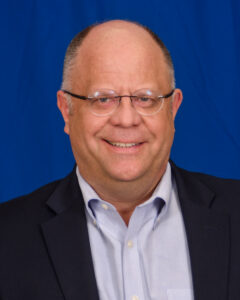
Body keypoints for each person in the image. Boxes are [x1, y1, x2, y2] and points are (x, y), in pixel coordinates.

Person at [0, 20, 240, 300]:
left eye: (146, 99)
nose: (126, 119)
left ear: (173, 109)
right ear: (67, 110)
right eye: (103, 99)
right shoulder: (7, 239)